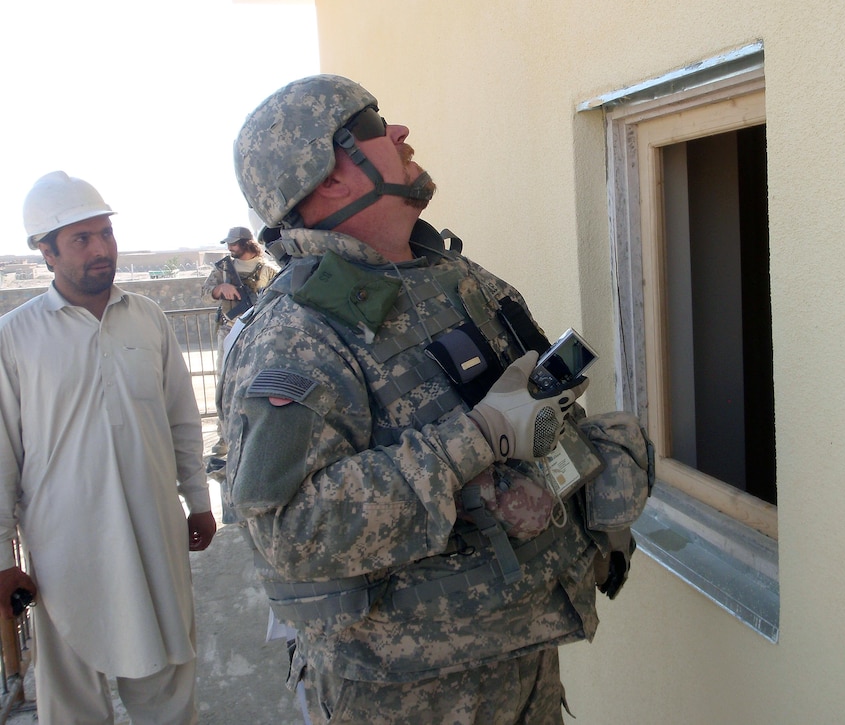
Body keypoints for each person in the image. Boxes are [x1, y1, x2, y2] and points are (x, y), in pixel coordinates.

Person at [220, 74, 653, 724]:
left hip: (521, 647)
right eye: (371, 127)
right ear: (330, 177)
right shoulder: (295, 334)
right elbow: (293, 528)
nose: (398, 132)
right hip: (409, 692)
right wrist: (476, 438)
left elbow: (542, 407)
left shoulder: (457, 279)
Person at [0, 171, 217, 724]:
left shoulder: (147, 318)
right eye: (81, 239)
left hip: (155, 532)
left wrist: (197, 499)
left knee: (169, 681)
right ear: (44, 252)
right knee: (72, 697)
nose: (101, 250)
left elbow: (180, 419)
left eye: (106, 234)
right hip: (63, 549)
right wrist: (3, 561)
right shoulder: (14, 338)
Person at [201, 225, 278, 464]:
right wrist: (219, 289)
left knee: (256, 383)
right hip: (228, 330)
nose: (230, 248)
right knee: (225, 383)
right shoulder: (224, 268)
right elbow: (204, 293)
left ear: (247, 243)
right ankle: (224, 437)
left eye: (233, 244)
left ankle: (254, 435)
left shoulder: (267, 270)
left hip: (256, 332)